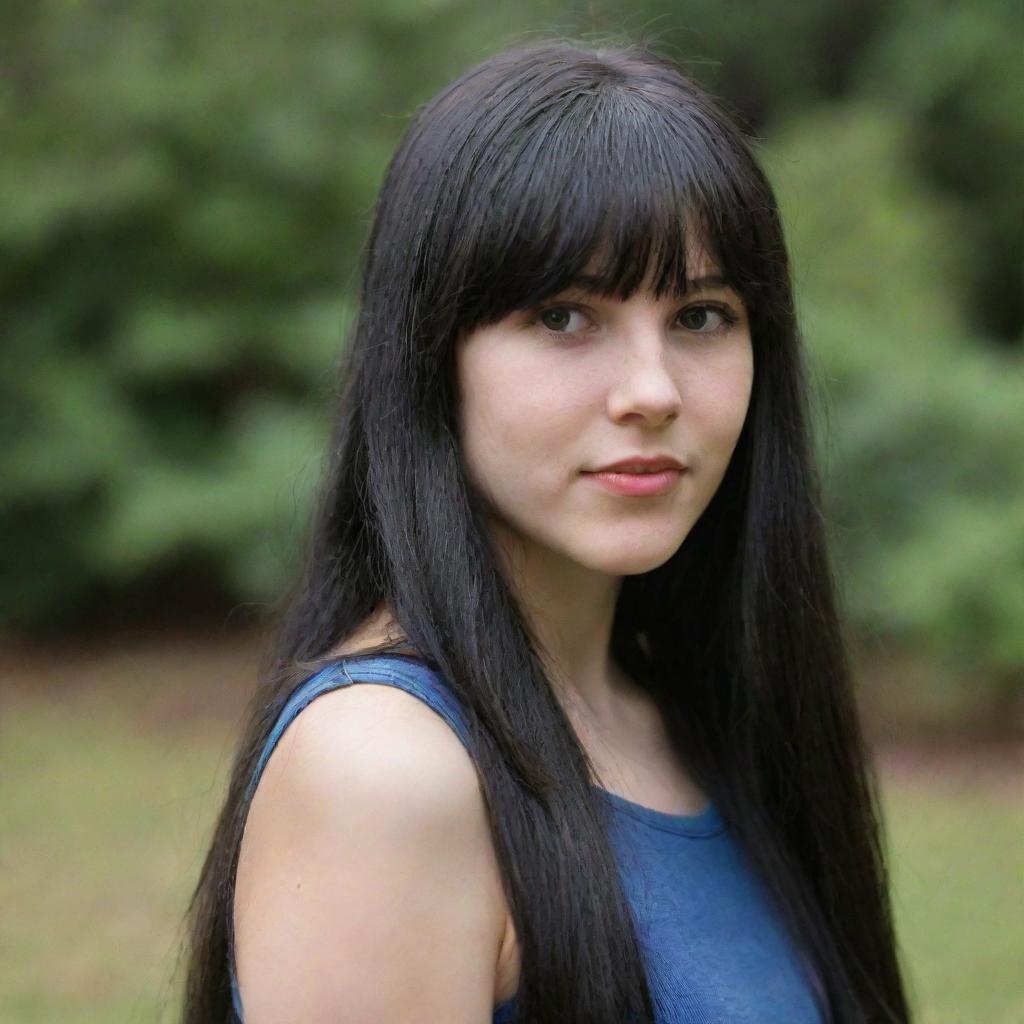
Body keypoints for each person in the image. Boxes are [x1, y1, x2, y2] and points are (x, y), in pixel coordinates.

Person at [180, 40, 912, 1024]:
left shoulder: (702, 716)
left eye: (699, 315)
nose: (651, 390)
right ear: (432, 355)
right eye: (565, 317)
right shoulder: (387, 770)